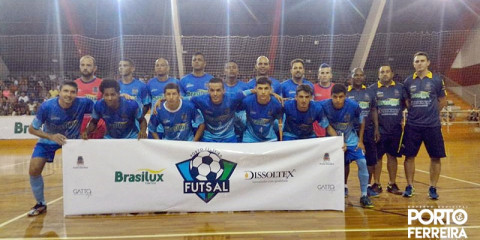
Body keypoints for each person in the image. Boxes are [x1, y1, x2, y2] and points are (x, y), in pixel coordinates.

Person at [27, 81, 94, 216]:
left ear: (76, 93)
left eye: (72, 92)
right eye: (65, 91)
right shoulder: (47, 106)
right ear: (59, 92)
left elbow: (101, 110)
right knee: (34, 169)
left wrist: (88, 130)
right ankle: (40, 203)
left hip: (72, 143)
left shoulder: (84, 103)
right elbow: (32, 129)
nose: (69, 95)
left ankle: (85, 201)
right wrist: (51, 136)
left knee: (82, 171)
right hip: (48, 140)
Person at [402, 52, 447, 200]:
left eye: (422, 61)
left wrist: (432, 113)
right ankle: (409, 186)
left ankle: (433, 187)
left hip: (432, 126)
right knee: (409, 157)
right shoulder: (408, 81)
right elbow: (407, 102)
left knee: (435, 157)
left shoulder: (436, 80)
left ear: (428, 62)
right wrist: (415, 113)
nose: (419, 63)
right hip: (412, 125)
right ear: (413, 64)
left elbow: (442, 100)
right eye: (417, 61)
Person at [322, 84, 374, 208]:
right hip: (333, 141)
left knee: (362, 162)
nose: (338, 100)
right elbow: (327, 125)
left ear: (345, 96)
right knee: (330, 166)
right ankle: (332, 192)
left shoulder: (353, 106)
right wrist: (338, 141)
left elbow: (362, 122)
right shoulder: (323, 106)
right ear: (331, 97)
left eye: (341, 97)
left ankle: (364, 195)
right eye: (335, 97)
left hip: (351, 141)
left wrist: (360, 141)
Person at [369, 64, 406, 195]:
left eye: (387, 72)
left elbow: (404, 104)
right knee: (378, 157)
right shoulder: (372, 89)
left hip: (395, 129)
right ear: (378, 75)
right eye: (382, 72)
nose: (385, 74)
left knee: (392, 157)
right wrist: (375, 128)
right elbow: (371, 109)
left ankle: (392, 184)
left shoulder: (400, 88)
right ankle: (377, 183)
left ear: (392, 73)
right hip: (379, 130)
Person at [346, 68, 380, 198]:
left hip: (368, 131)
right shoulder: (346, 93)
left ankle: (367, 186)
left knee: (370, 160)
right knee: (345, 161)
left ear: (364, 77)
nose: (358, 77)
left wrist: (376, 128)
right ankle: (344, 186)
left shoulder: (370, 92)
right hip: (350, 132)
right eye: (356, 75)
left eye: (361, 75)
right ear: (351, 77)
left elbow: (373, 110)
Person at [190, 78, 248, 142]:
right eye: (212, 90)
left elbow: (245, 93)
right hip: (209, 137)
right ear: (208, 91)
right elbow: (185, 99)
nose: (215, 94)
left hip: (229, 137)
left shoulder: (232, 98)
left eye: (218, 90)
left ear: (224, 91)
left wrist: (254, 90)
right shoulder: (201, 100)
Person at [147, 58, 183, 138]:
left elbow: (181, 99)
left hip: (172, 124)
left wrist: (162, 99)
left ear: (168, 67)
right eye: (157, 65)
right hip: (155, 124)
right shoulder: (150, 83)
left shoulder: (175, 82)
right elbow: (148, 102)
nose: (159, 67)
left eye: (162, 65)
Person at [241, 77, 283, 142]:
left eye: (266, 88)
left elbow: (279, 122)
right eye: (260, 88)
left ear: (270, 90)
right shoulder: (247, 101)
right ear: (255, 89)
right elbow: (235, 98)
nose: (263, 92)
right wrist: (250, 91)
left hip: (269, 138)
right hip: (250, 138)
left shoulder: (276, 104)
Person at [74, 55, 105, 139]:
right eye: (82, 65)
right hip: (78, 124)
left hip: (97, 124)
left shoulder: (102, 84)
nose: (85, 67)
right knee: (79, 152)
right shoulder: (73, 84)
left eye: (88, 65)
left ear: (95, 68)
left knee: (98, 151)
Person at [117, 58, 150, 137]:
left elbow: (146, 104)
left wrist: (138, 116)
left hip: (136, 126)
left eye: (125, 65)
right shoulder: (115, 85)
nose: (121, 67)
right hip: (118, 124)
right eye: (120, 66)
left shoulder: (141, 85)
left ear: (132, 68)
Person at [224, 61, 249, 142]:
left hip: (241, 117)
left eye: (234, 67)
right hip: (225, 117)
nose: (231, 69)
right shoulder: (219, 86)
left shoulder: (245, 86)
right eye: (228, 67)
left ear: (238, 71)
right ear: (224, 71)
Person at [313, 63, 335, 137]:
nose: (324, 75)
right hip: (318, 124)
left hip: (333, 122)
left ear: (331, 75)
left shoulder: (335, 88)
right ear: (318, 75)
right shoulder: (313, 88)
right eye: (322, 73)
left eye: (327, 73)